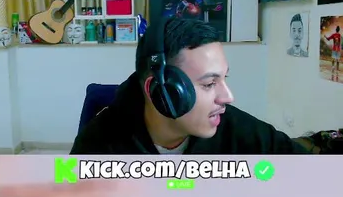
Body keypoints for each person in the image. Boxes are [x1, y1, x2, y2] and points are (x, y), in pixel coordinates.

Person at [73, 18, 307, 154]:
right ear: (160, 91)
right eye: (209, 83)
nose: (227, 97)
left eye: (224, 78)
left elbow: (307, 169)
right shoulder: (98, 144)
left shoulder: (236, 128)